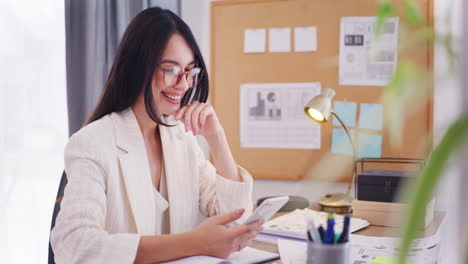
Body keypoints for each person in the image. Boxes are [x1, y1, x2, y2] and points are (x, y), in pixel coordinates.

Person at [50, 7, 261, 264]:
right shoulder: (92, 143)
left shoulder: (180, 138)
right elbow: (73, 245)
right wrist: (193, 242)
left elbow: (234, 217)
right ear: (139, 68)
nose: (183, 84)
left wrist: (217, 137)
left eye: (190, 72)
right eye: (171, 70)